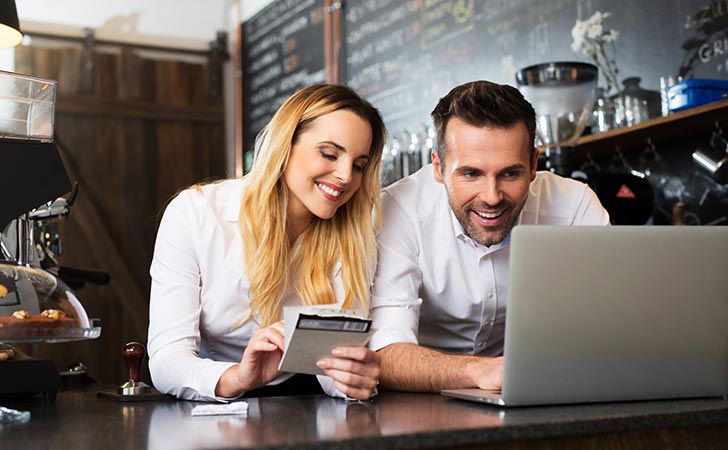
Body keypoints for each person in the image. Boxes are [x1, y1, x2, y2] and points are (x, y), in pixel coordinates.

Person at [148, 84, 386, 401]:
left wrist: (352, 380)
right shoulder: (197, 214)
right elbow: (167, 361)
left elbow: (334, 369)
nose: (345, 176)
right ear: (284, 145)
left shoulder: (354, 231)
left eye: (359, 165)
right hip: (218, 398)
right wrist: (238, 377)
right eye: (329, 154)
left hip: (308, 402)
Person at [369, 80, 610, 392]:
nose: (492, 197)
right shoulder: (399, 210)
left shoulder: (574, 204)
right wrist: (478, 371)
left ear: (534, 164)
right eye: (471, 174)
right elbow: (384, 353)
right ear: (438, 168)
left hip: (535, 386)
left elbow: (608, 326)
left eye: (510, 173)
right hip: (421, 396)